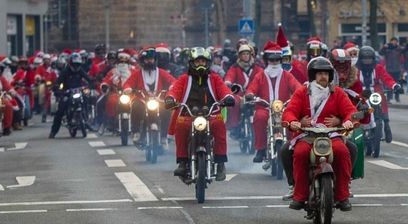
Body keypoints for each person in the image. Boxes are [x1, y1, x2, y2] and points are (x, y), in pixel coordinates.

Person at [283, 56, 357, 212]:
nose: (323, 76)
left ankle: (343, 196)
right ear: (313, 75)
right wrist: (295, 122)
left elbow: (351, 111)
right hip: (307, 135)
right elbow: (290, 112)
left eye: (326, 73)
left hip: (331, 135)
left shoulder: (338, 92)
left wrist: (346, 121)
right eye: (319, 73)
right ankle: (299, 196)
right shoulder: (302, 92)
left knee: (343, 152)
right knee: (300, 153)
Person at [166, 48, 236, 181]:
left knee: (219, 125)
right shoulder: (184, 79)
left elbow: (224, 89)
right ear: (192, 63)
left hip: (211, 114)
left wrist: (228, 97)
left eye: (203, 61)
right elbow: (174, 90)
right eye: (198, 62)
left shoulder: (214, 78)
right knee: (180, 126)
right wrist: (170, 98)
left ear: (208, 63)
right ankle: (182, 162)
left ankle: (220, 163)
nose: (200, 65)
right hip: (188, 114)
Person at [246, 41, 301, 163]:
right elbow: (251, 88)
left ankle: (294, 146)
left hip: (284, 108)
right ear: (266, 60)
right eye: (272, 60)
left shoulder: (287, 75)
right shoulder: (260, 76)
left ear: (281, 60)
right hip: (264, 108)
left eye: (277, 60)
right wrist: (250, 95)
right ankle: (260, 149)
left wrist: (302, 92)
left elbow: (297, 86)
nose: (275, 63)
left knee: (293, 121)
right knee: (259, 117)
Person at [124, 48, 175, 144]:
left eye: (151, 59)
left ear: (155, 60)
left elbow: (172, 80)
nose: (149, 61)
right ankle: (136, 132)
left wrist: (172, 86)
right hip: (142, 99)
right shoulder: (137, 73)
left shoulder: (161, 72)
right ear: (142, 61)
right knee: (135, 107)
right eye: (147, 59)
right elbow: (128, 83)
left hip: (158, 99)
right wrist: (128, 88)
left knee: (167, 109)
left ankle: (164, 135)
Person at [357, 45, 398, 153]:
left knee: (382, 98)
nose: (367, 61)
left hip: (374, 91)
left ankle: (386, 122)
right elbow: (352, 81)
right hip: (360, 92)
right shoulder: (355, 69)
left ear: (373, 59)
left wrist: (394, 86)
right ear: (360, 59)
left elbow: (386, 78)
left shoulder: (378, 68)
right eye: (365, 59)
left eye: (369, 59)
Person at [49, 53, 92, 138]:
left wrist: (92, 84)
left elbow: (88, 79)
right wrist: (57, 88)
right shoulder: (65, 71)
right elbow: (58, 82)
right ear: (70, 64)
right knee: (60, 110)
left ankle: (87, 119)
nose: (76, 66)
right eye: (74, 64)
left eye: (78, 64)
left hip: (79, 91)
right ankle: (53, 131)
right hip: (67, 92)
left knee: (87, 100)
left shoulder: (80, 71)